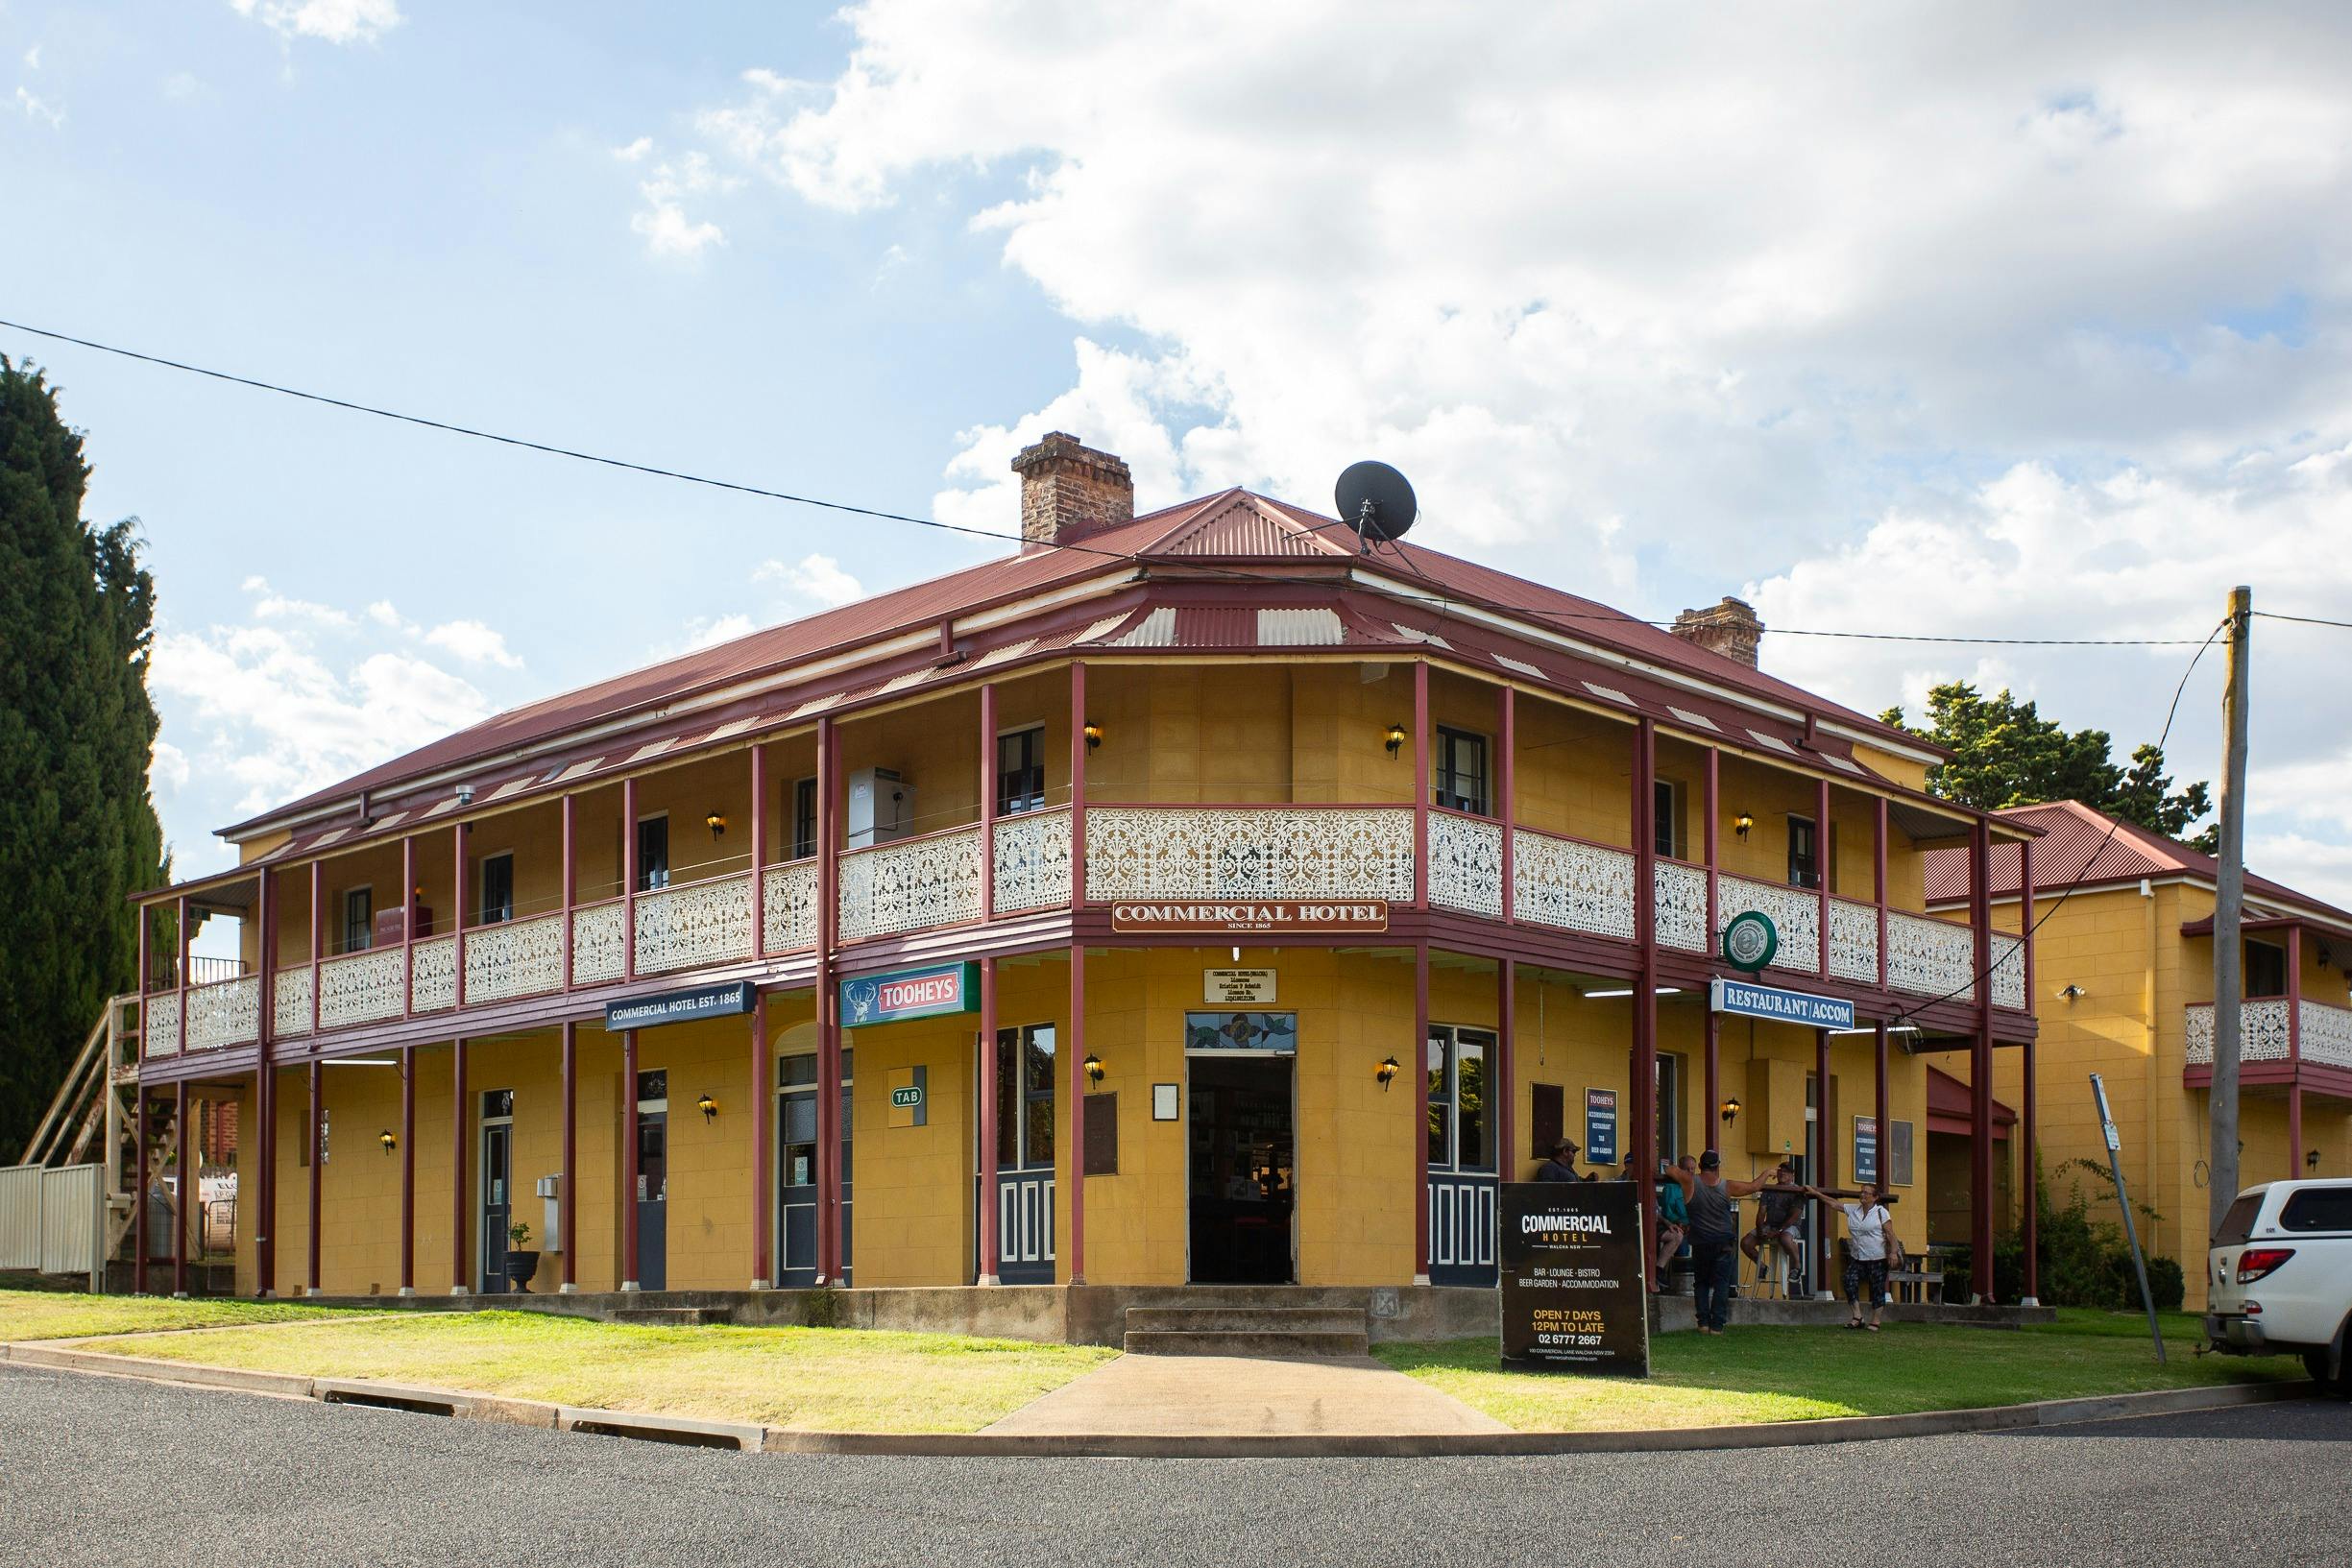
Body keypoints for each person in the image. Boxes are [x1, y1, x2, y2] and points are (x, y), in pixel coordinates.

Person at [1685, 1151, 1778, 1335]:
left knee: (1701, 1282)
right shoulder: (1727, 1186)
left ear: (1701, 1166)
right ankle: (1717, 1326)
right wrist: (1767, 1172)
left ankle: (1703, 1323)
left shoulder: (1690, 1182)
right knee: (1721, 1283)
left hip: (1700, 1241)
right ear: (1717, 1166)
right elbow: (1754, 1187)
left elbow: (1671, 1170)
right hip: (1723, 1241)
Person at [1813, 1180, 1896, 1330]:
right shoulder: (1854, 1210)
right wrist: (1816, 1193)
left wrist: (1894, 1253)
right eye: (1862, 1191)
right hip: (1858, 1257)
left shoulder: (1881, 1212)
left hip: (1877, 1257)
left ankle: (1876, 1321)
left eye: (1866, 1192)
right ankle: (1857, 1316)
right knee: (1849, 1280)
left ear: (1875, 1197)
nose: (1862, 1195)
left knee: (1877, 1288)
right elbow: (1833, 1203)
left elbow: (1890, 1234)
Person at [1740, 1164, 1808, 1291]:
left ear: (1792, 1175)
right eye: (1780, 1171)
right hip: (1769, 1224)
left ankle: (1797, 1267)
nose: (1783, 1174)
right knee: (1745, 1242)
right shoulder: (1769, 1189)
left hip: (1790, 1226)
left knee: (1785, 1238)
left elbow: (1794, 1217)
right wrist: (1760, 1229)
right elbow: (1761, 1212)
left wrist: (1778, 1231)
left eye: (1786, 1172)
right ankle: (1762, 1266)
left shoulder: (1798, 1191)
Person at [1653, 1156, 1693, 1293]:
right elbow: (1668, 1213)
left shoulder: (1696, 1186)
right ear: (1680, 1170)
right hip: (1677, 1224)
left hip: (1693, 1226)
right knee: (1681, 1241)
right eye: (1687, 1169)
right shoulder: (1671, 1188)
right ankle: (1680, 1287)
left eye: (1693, 1169)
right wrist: (1681, 1224)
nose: (1690, 1172)